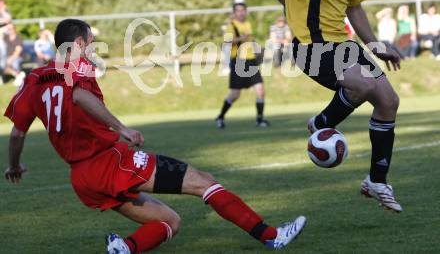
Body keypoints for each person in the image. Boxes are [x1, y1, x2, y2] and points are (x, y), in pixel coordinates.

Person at [4, 18, 306, 253]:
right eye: (92, 42)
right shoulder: (77, 64)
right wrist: (122, 129)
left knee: (170, 221)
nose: (93, 49)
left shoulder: (34, 79)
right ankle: (272, 236)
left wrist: (14, 165)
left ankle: (124, 248)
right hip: (110, 162)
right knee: (205, 181)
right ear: (79, 42)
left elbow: (17, 133)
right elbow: (81, 97)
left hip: (82, 179)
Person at [254, 0, 402, 212]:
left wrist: (376, 45)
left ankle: (377, 180)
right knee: (362, 84)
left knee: (389, 101)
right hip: (310, 44)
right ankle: (321, 122)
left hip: (343, 44)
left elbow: (355, 7)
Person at [215, 3, 269, 129]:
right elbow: (227, 41)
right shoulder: (231, 25)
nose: (241, 13)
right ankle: (221, 116)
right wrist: (240, 38)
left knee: (260, 90)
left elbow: (250, 41)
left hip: (251, 61)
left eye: (243, 10)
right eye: (238, 11)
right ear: (234, 13)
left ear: (246, 11)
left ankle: (260, 119)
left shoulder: (248, 24)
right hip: (239, 62)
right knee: (235, 94)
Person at [0, 0, 12, 83]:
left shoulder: (6, 12)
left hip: (4, 40)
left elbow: (8, 20)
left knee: (3, 57)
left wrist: (3, 11)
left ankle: (2, 77)